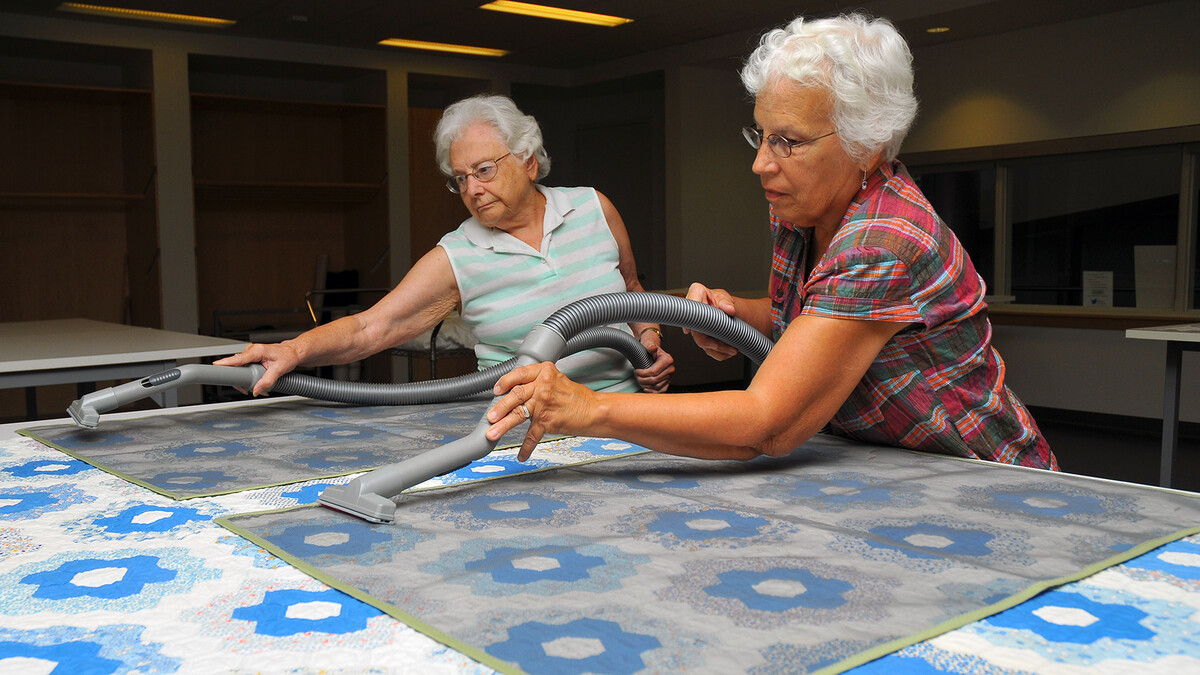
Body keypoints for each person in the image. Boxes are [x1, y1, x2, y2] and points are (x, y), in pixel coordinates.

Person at [485, 13, 1056, 471]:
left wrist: (589, 408)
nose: (761, 164)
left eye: (788, 142)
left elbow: (768, 424)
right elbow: (813, 318)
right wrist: (739, 316)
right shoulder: (804, 212)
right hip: (889, 467)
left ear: (868, 143)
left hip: (989, 480)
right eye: (760, 135)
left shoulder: (883, 241)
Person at [216, 94, 674, 396]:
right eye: (460, 178)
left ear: (529, 162)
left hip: (626, 415)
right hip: (529, 425)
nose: (472, 188)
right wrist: (294, 350)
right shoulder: (458, 255)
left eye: (484, 170)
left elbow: (631, 289)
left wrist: (649, 343)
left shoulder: (593, 207)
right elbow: (371, 328)